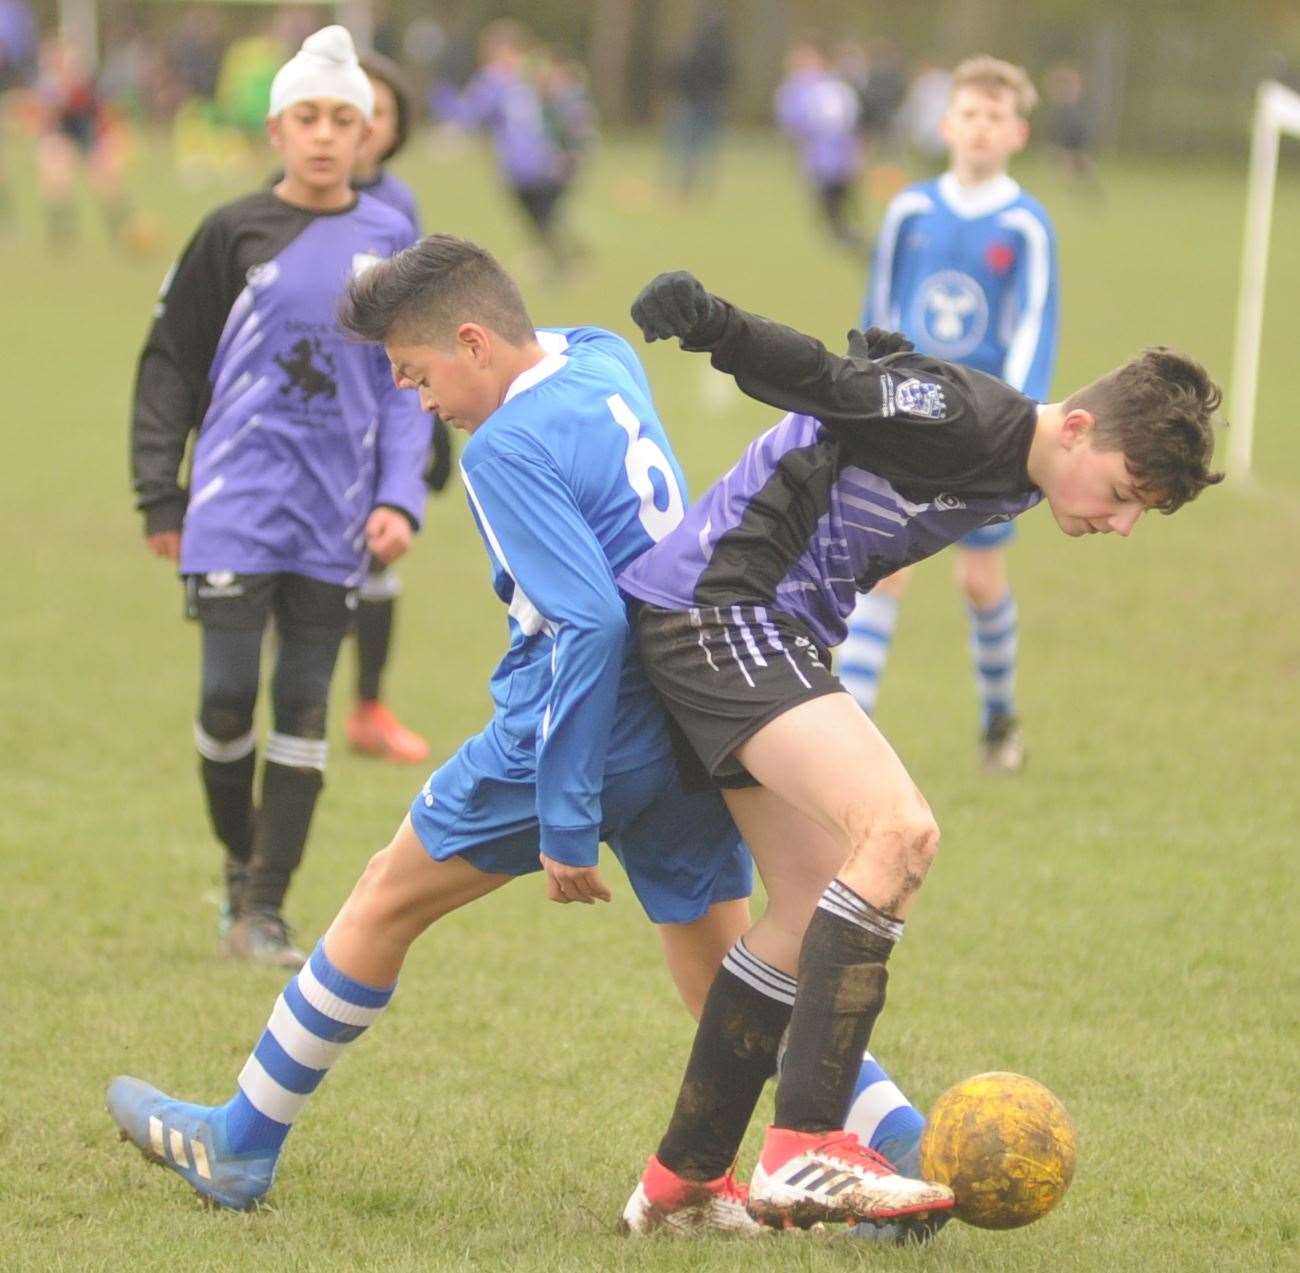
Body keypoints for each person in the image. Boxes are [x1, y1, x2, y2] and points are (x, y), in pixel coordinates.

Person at [107, 232, 758, 1217]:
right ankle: (867, 1145)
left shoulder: (502, 446)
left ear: (472, 342)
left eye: (414, 376)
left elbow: (585, 620)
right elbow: (555, 331)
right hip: (683, 710)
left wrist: (566, 811)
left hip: (568, 720)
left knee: (382, 900)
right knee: (736, 971)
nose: (418, 403)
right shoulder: (601, 358)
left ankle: (237, 1142)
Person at [616, 269, 1223, 1230]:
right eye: (1121, 492)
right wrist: (713, 323)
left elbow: (865, 413)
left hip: (757, 628)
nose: (1120, 521)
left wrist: (888, 375)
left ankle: (683, 1180)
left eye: (1140, 510)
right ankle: (806, 1145)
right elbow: (823, 380)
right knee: (899, 832)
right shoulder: (972, 419)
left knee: (813, 893)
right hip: (721, 609)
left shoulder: (1014, 466)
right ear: (1075, 428)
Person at [129, 26, 431, 969]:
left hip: (335, 514)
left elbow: (406, 385)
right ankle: (238, 867)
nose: (326, 134)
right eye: (308, 117)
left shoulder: (391, 241)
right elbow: (170, 363)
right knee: (227, 699)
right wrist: (158, 493)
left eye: (345, 118)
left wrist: (400, 498)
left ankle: (264, 907)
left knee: (302, 705)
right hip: (232, 503)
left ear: (368, 133)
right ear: (275, 128)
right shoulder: (231, 231)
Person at [840, 57, 1056, 772]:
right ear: (945, 124)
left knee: (978, 580)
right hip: (907, 416)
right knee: (884, 569)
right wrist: (868, 392)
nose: (980, 129)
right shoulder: (910, 210)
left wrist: (1017, 418)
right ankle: (853, 733)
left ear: (1017, 132)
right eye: (969, 115)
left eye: (995, 118)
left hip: (987, 430)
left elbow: (1034, 326)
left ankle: (999, 721)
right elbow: (881, 308)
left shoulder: (1026, 225)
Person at [341, 50, 449, 766]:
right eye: (357, 110)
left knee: (377, 559)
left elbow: (416, 314)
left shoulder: (397, 208)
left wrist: (428, 422)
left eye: (382, 113)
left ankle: (367, 708)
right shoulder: (274, 206)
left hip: (382, 411)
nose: (368, 126)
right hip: (313, 416)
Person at [430, 20, 582, 278]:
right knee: (539, 218)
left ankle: (562, 261)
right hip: (518, 166)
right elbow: (472, 114)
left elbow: (565, 108)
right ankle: (560, 259)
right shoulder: (495, 82)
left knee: (544, 217)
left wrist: (569, 147)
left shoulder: (532, 77)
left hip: (544, 162)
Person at [774, 37, 867, 256]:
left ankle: (844, 234)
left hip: (827, 153)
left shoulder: (813, 87)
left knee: (831, 197)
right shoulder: (832, 85)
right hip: (832, 153)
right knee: (833, 197)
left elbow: (796, 121)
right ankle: (844, 232)